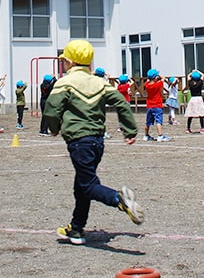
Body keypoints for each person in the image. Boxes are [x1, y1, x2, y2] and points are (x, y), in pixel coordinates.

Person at [43, 39, 145, 245]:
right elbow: (121, 104)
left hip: (79, 141)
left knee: (88, 184)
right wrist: (129, 130)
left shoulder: (64, 83)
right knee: (82, 184)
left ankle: (119, 200)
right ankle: (77, 229)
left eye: (64, 61)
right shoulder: (101, 83)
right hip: (98, 141)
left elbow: (51, 110)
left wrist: (53, 128)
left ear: (69, 62)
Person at [143, 69, 171, 142]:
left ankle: (146, 135)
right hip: (157, 105)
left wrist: (152, 77)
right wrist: (158, 76)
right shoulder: (158, 84)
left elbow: (148, 81)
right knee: (158, 121)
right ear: (156, 77)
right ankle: (160, 136)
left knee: (148, 122)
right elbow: (163, 78)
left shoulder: (147, 85)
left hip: (149, 105)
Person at [184, 70, 204, 134]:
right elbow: (203, 75)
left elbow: (188, 76)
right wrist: (197, 71)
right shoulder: (200, 82)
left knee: (190, 114)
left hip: (192, 99)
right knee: (201, 114)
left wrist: (192, 72)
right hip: (199, 99)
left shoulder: (190, 83)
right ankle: (202, 128)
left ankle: (188, 128)